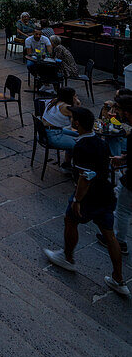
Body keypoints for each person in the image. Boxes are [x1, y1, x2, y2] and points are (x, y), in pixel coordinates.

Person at [44, 106, 129, 297]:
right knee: (110, 236)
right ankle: (118, 279)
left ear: (76, 123)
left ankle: (67, 257)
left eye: (73, 118)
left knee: (70, 220)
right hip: (106, 194)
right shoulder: (100, 142)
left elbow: (85, 177)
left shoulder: (81, 146)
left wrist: (77, 200)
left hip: (89, 196)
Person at [98, 92, 132, 256]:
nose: (114, 110)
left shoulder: (128, 126)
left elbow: (125, 132)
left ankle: (120, 242)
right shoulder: (116, 116)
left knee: (123, 210)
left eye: (117, 108)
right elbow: (104, 123)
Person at [41, 86, 81, 162]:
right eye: (75, 96)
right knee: (79, 144)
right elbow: (78, 119)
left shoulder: (55, 101)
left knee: (77, 134)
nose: (76, 97)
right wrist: (78, 103)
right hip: (53, 135)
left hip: (48, 131)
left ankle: (67, 162)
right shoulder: (66, 107)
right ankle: (70, 164)